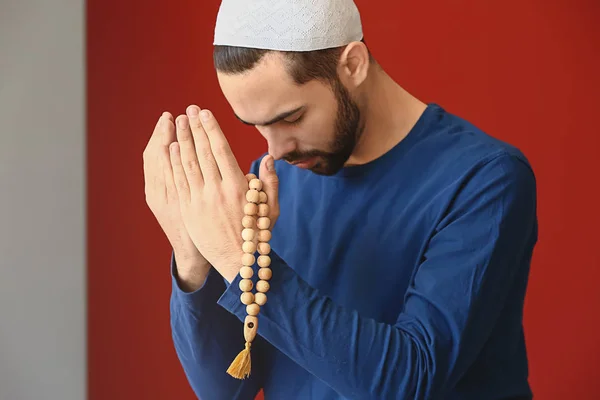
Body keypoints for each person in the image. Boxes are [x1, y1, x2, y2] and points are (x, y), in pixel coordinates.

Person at [143, 0, 538, 399]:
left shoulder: (484, 178)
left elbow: (411, 381)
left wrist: (238, 261)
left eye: (292, 118)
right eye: (259, 126)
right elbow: (226, 391)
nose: (275, 150)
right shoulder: (275, 179)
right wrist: (194, 262)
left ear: (352, 65)